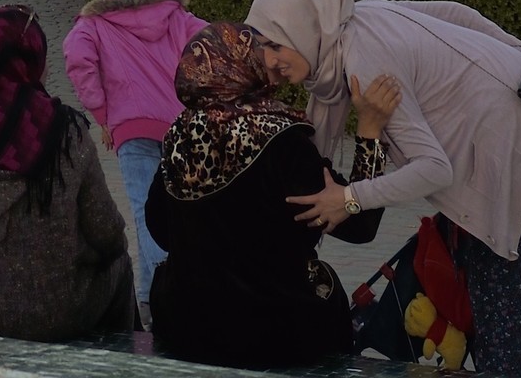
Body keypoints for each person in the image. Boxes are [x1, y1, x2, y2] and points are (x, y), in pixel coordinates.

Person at [247, 0, 521, 378]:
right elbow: (458, 13)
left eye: (276, 44)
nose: (269, 61)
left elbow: (434, 170)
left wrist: (349, 199)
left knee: (520, 333)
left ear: (304, 29)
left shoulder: (365, 62)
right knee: (511, 320)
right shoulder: (363, 16)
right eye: (261, 46)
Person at [145, 20, 394, 367]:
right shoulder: (281, 140)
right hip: (277, 331)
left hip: (186, 326)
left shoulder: (180, 136)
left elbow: (159, 229)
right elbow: (360, 225)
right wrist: (369, 134)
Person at [0, 5, 136, 342]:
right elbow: (106, 231)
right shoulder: (66, 129)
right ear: (32, 61)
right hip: (59, 312)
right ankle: (124, 361)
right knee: (120, 264)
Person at [62, 0, 207, 312]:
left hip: (132, 129)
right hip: (184, 130)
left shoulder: (93, 23)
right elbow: (214, 46)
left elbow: (77, 60)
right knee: (180, 214)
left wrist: (103, 114)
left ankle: (168, 301)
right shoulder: (178, 16)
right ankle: (149, 297)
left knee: (147, 216)